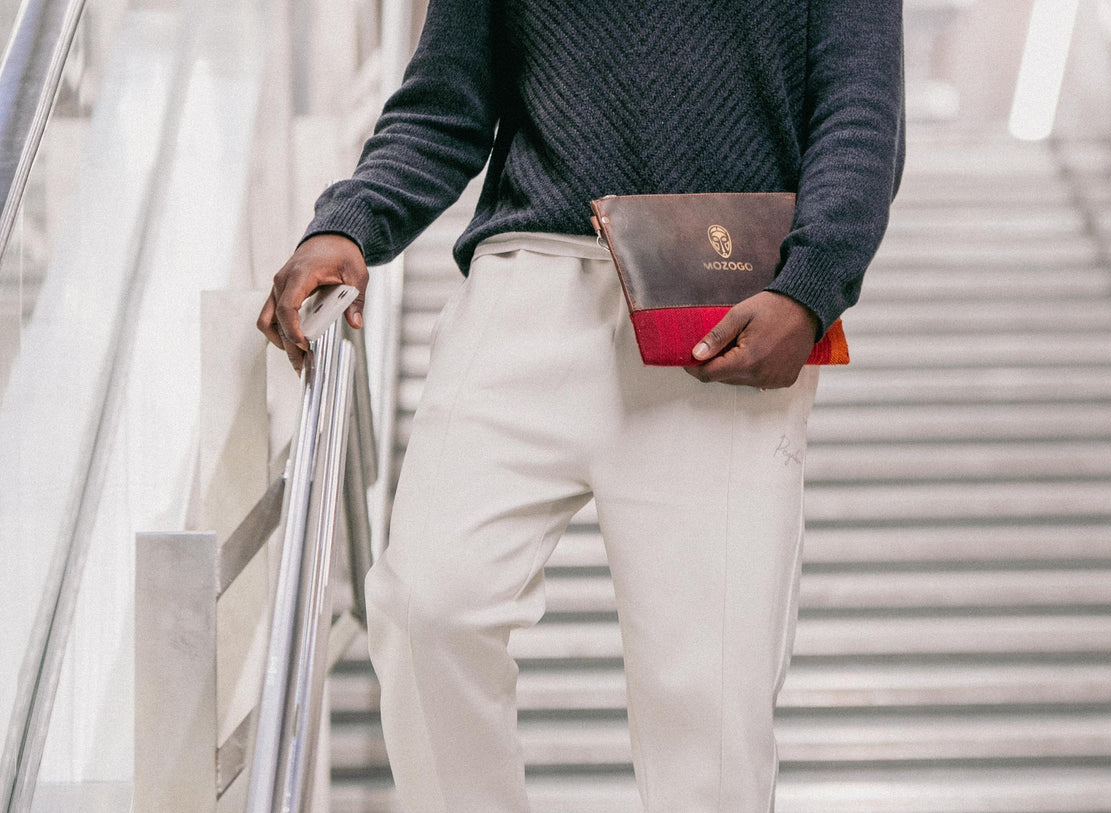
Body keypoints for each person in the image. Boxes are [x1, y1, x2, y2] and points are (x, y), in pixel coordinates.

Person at [257, 1, 904, 809]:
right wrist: (351, 223)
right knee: (425, 601)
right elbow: (444, 102)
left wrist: (810, 288)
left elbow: (858, 113)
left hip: (721, 302)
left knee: (709, 704)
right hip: (530, 282)